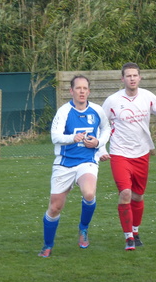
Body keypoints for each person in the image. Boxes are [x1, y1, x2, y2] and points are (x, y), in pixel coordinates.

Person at [102, 62, 156, 251]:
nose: (132, 78)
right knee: (125, 193)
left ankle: (135, 231)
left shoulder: (148, 97)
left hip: (142, 153)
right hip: (119, 153)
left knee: (137, 196)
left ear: (140, 77)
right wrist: (101, 149)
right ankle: (128, 237)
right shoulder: (112, 101)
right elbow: (101, 125)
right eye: (128, 76)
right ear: (122, 79)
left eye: (135, 75)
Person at [38, 75, 111, 257]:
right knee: (55, 207)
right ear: (71, 91)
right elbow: (55, 136)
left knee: (89, 193)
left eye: (85, 88)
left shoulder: (96, 111)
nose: (82, 91)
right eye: (78, 88)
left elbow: (107, 128)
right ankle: (47, 245)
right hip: (64, 163)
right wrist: (72, 138)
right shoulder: (64, 112)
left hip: (87, 161)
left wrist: (99, 144)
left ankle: (83, 229)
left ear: (89, 91)